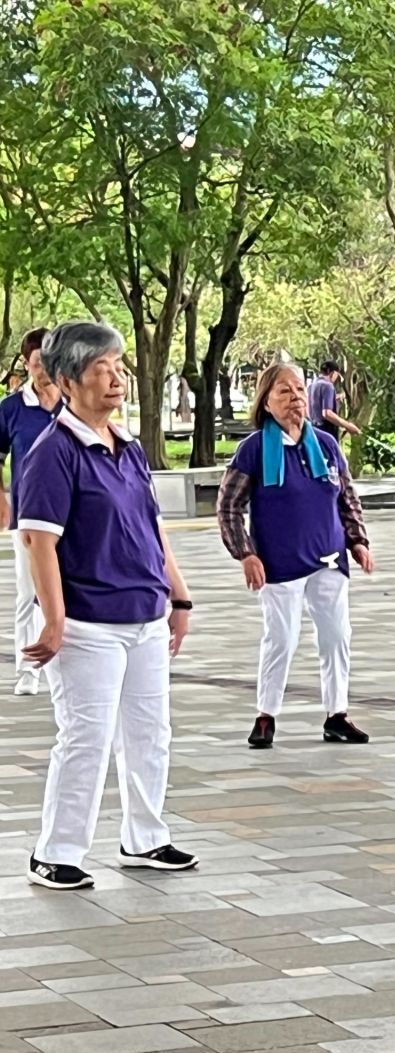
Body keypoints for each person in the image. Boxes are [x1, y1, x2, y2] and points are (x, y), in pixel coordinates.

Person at [14, 322, 197, 890]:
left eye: (119, 366)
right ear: (68, 379)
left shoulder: (129, 446)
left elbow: (152, 528)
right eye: (101, 368)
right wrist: (54, 617)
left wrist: (180, 594)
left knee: (150, 732)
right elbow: (37, 538)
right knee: (86, 736)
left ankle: (146, 837)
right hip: (91, 622)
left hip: (144, 616)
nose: (115, 377)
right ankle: (56, 850)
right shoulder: (54, 452)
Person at [217, 360, 374, 750]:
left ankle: (337, 714)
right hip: (279, 560)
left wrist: (358, 541)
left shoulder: (326, 445)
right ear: (266, 401)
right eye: (284, 391)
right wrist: (245, 554)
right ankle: (266, 715)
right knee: (281, 638)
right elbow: (229, 507)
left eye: (300, 390)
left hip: (328, 557)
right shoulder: (253, 450)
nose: (295, 398)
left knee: (337, 635)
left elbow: (346, 497)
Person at [1, 328, 60, 696]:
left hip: (74, 513)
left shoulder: (75, 401)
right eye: (38, 362)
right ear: (27, 364)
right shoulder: (12, 408)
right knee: (29, 593)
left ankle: (67, 662)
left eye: (50, 361)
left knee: (69, 590)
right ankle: (28, 669)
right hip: (28, 514)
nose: (44, 369)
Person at [306, 361, 360, 443]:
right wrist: (347, 426)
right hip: (326, 432)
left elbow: (316, 403)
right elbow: (327, 413)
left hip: (314, 430)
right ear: (333, 373)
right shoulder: (328, 386)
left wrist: (336, 398)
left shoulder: (312, 385)